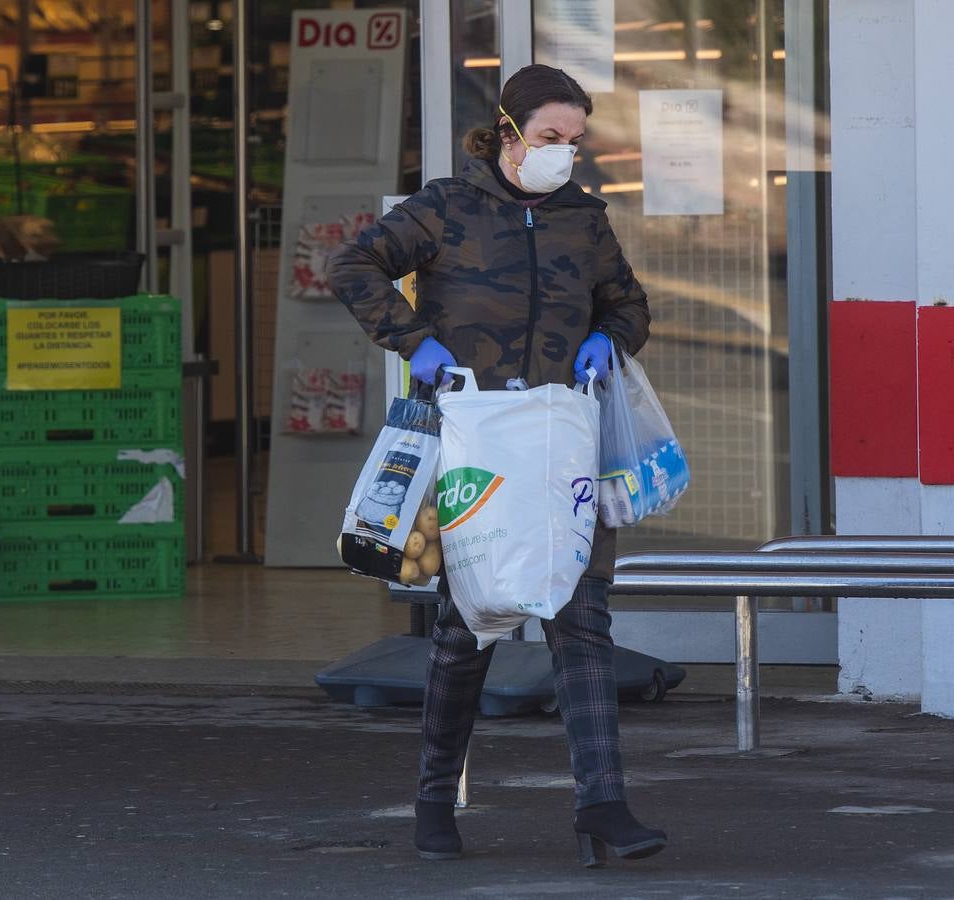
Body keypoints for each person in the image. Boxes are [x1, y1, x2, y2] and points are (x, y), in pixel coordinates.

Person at [327, 64, 665, 868]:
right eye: (551, 137)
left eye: (575, 141)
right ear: (509, 131)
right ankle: (435, 801)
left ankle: (604, 805)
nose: (564, 154)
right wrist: (415, 343)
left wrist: (608, 339)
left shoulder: (583, 220)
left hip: (557, 448)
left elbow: (630, 305)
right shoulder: (446, 207)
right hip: (473, 447)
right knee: (464, 632)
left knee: (582, 625)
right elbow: (353, 266)